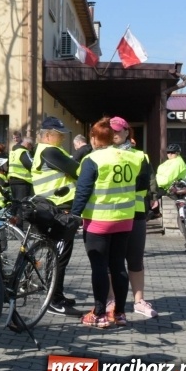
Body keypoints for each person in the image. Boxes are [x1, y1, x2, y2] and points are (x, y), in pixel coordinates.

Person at [71, 117, 142, 328]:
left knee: (99, 267)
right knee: (118, 264)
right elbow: (142, 183)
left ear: (94, 138)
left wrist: (74, 215)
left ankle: (100, 313)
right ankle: (119, 313)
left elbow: (83, 190)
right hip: (125, 219)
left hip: (99, 220)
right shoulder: (132, 158)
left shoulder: (92, 159)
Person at [31, 116, 82, 317]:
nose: (62, 138)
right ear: (48, 135)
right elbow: (76, 170)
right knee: (59, 257)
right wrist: (84, 153)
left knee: (57, 255)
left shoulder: (49, 150)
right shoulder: (49, 151)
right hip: (57, 210)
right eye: (59, 134)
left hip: (54, 208)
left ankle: (56, 294)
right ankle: (54, 300)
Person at [108, 116, 158, 318]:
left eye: (119, 130)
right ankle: (111, 300)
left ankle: (139, 301)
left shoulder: (140, 156)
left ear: (128, 131)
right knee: (112, 261)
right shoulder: (102, 155)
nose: (115, 134)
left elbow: (149, 181)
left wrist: (154, 197)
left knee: (135, 259)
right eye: (112, 130)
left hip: (135, 213)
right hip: (110, 213)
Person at [8, 137, 34, 201]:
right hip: (22, 181)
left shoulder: (13, 152)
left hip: (12, 181)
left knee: (16, 203)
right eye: (31, 147)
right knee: (23, 204)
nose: (30, 149)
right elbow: (31, 165)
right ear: (28, 144)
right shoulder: (23, 152)